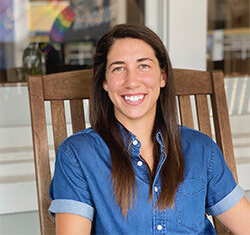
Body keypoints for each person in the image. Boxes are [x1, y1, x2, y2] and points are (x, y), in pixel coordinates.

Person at [49, 24, 250, 234]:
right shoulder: (77, 155)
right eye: (118, 68)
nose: (132, 81)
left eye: (143, 66)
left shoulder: (201, 149)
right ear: (105, 82)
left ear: (163, 76)